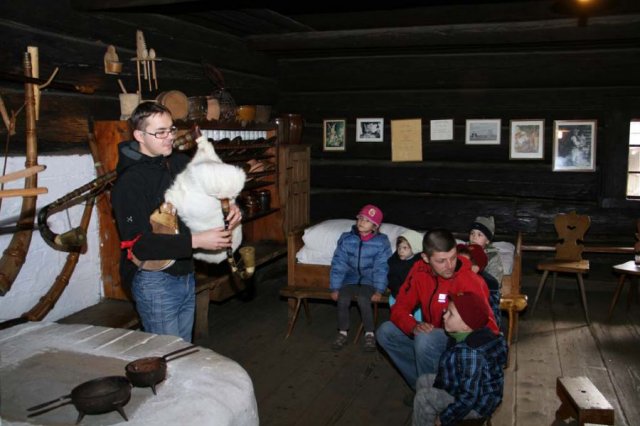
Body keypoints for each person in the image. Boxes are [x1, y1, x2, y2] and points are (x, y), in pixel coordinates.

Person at [111, 102, 241, 343]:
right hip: (154, 279)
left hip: (185, 271)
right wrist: (196, 241)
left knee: (183, 351)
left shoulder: (178, 162)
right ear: (139, 136)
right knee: (167, 355)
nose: (170, 137)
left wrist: (229, 205)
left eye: (171, 129)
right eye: (160, 132)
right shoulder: (129, 183)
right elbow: (138, 244)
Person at [376, 229, 499, 391]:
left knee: (425, 340)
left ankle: (437, 392)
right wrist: (413, 326)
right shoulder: (419, 271)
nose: (450, 266)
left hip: (459, 343)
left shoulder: (470, 280)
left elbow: (490, 328)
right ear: (425, 258)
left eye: (453, 258)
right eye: (441, 261)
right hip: (432, 334)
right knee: (385, 332)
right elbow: (400, 307)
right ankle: (423, 386)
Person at [413, 292, 507, 426]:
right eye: (446, 311)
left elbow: (469, 398)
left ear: (466, 325)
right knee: (422, 380)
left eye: (450, 314)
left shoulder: (471, 352)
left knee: (423, 399)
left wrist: (444, 418)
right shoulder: (462, 335)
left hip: (477, 406)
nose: (444, 315)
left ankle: (428, 417)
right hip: (466, 388)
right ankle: (425, 418)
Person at [330, 204, 392, 352]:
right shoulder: (347, 239)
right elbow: (339, 263)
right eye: (360, 218)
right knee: (342, 299)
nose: (362, 222)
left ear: (375, 226)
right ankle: (342, 332)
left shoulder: (381, 242)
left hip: (369, 280)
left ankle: (369, 333)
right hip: (350, 278)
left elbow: (381, 267)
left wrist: (379, 290)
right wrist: (335, 287)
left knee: (364, 300)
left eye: (367, 220)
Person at [469, 216, 504, 326]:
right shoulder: (464, 251)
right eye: (472, 233)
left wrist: (479, 274)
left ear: (487, 240)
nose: (474, 237)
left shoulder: (492, 256)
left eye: (479, 235)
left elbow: (495, 282)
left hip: (486, 293)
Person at [387, 230, 423, 321]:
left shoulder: (420, 263)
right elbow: (391, 278)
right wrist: (399, 291)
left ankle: (417, 323)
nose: (401, 251)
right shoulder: (394, 261)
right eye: (399, 248)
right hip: (397, 293)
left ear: (414, 248)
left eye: (405, 248)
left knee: (417, 314)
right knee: (395, 307)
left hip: (415, 297)